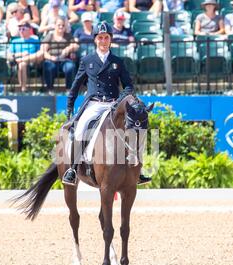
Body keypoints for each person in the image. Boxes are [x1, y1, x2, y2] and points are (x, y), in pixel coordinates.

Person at [62, 21, 151, 186]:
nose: (103, 41)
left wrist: (120, 100)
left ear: (110, 39)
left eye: (106, 38)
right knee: (81, 130)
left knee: (133, 130)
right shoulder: (87, 60)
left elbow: (129, 85)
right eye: (100, 38)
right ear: (95, 39)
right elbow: (75, 85)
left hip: (113, 105)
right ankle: (73, 170)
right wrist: (69, 106)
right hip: (94, 104)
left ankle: (137, 170)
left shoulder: (117, 61)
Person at [41, 17, 79, 91]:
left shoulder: (68, 36)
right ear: (55, 26)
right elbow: (43, 51)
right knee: (49, 67)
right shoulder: (50, 36)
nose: (61, 27)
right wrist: (51, 58)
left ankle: (69, 90)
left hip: (65, 59)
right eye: (59, 25)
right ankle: (50, 90)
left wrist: (68, 49)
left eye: (63, 25)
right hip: (51, 59)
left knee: (70, 67)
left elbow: (76, 46)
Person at [8, 22, 43, 92]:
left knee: (41, 54)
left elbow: (40, 53)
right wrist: (21, 54)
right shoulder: (14, 41)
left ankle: (21, 60)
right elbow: (9, 55)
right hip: (20, 62)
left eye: (23, 29)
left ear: (29, 30)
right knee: (22, 64)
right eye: (20, 29)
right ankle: (24, 89)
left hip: (33, 61)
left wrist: (26, 57)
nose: (21, 31)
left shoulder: (36, 41)